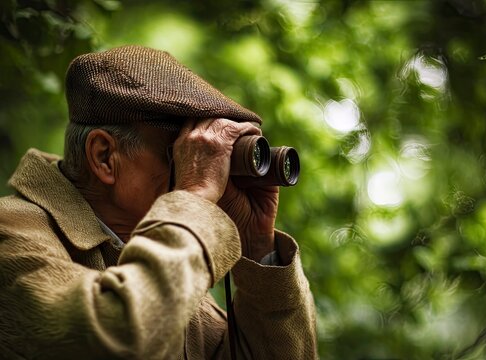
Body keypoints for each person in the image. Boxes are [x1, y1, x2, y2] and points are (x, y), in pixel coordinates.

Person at [0, 45, 317, 359]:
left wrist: (257, 245)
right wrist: (195, 195)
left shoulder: (169, 270)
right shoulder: (13, 236)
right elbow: (117, 338)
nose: (200, 169)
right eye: (181, 152)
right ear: (105, 156)